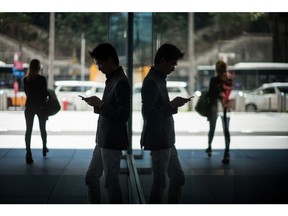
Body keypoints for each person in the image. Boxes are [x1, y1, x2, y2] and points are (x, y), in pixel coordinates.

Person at [140, 43, 191, 204]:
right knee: (160, 183)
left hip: (166, 140)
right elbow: (149, 114)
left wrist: (172, 105)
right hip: (159, 140)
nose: (173, 68)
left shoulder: (159, 79)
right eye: (172, 63)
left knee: (177, 178)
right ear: (162, 60)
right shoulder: (152, 81)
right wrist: (171, 105)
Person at [84, 43, 131, 204]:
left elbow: (123, 115)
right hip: (104, 139)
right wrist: (98, 104)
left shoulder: (120, 81)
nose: (98, 67)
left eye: (100, 63)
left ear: (110, 60)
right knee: (91, 177)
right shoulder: (112, 79)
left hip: (112, 140)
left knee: (111, 183)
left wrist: (101, 104)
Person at [206, 60, 233, 164]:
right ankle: (227, 153)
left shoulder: (214, 80)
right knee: (226, 130)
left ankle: (209, 146)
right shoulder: (229, 80)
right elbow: (229, 93)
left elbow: (210, 94)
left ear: (216, 69)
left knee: (212, 128)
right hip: (227, 107)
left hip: (215, 107)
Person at [23, 58, 49, 164]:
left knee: (28, 130)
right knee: (42, 128)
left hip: (29, 107)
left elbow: (27, 93)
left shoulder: (26, 79)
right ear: (39, 67)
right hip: (41, 107)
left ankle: (28, 153)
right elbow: (44, 93)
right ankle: (44, 147)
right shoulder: (42, 79)